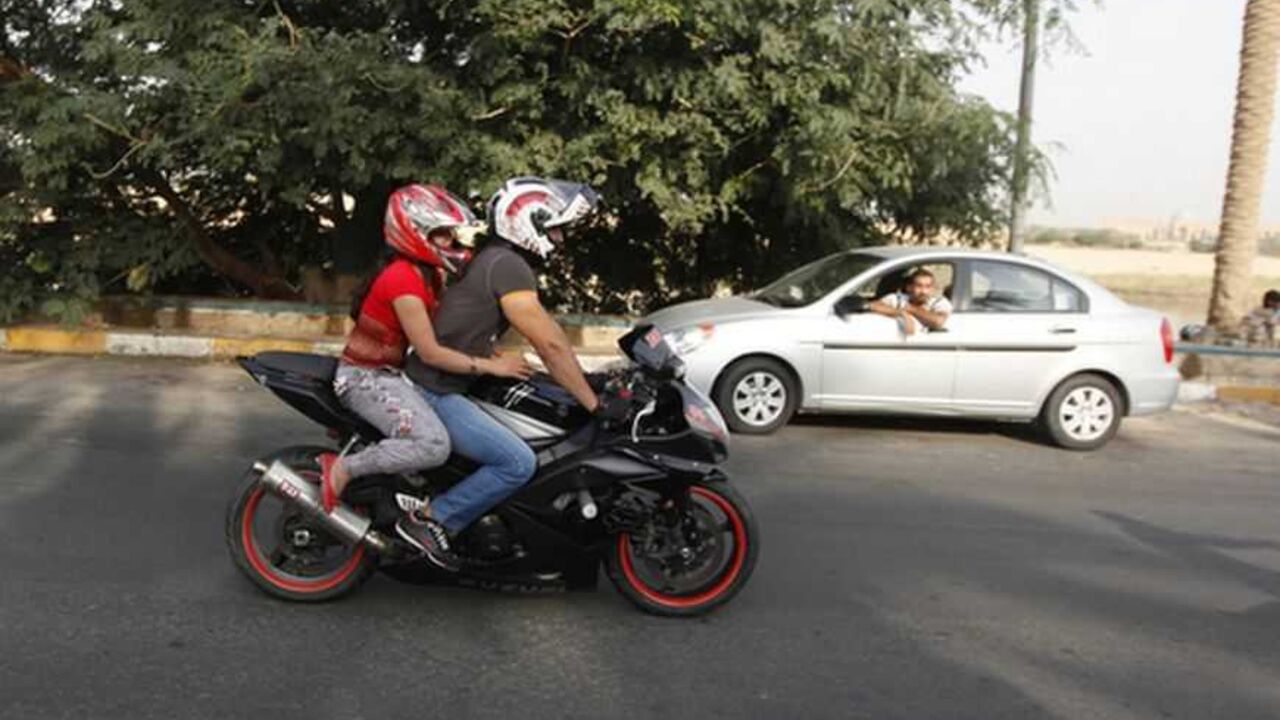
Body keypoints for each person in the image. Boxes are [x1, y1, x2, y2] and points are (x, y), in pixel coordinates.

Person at [401, 177, 621, 567]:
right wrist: (593, 402)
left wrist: (565, 378)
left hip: (448, 380)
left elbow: (478, 328)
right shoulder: (508, 266)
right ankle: (433, 520)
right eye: (554, 229)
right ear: (528, 221)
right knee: (517, 462)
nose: (560, 239)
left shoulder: (494, 259)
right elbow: (550, 341)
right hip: (433, 390)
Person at [320, 184, 533, 571]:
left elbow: (441, 335)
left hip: (391, 375)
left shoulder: (428, 274)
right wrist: (491, 366)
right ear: (412, 232)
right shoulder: (403, 280)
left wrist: (487, 351)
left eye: (451, 233)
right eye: (441, 234)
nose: (451, 241)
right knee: (433, 444)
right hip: (364, 379)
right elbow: (431, 352)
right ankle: (344, 467)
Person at [869, 268, 952, 336]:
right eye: (919, 286)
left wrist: (912, 309)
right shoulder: (898, 299)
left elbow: (937, 321)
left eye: (928, 287)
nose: (923, 291)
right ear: (909, 287)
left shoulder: (939, 302)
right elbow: (873, 305)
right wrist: (901, 313)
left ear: (933, 288)